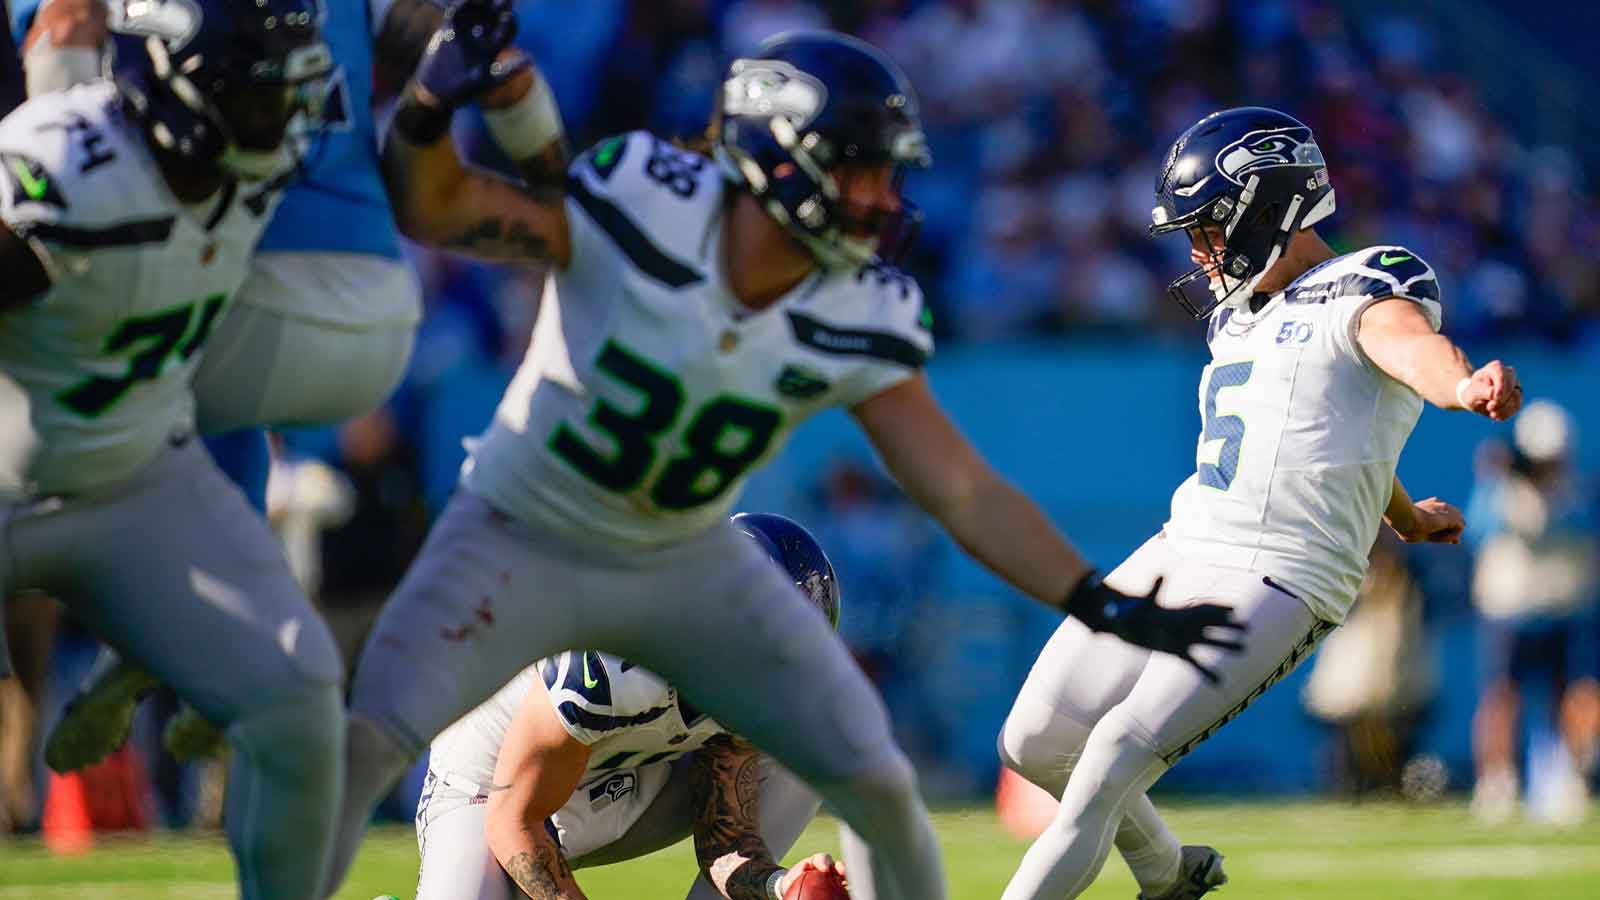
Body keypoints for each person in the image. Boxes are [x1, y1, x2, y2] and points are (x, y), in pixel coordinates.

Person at [322, 10, 1245, 900]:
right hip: (526, 553)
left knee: (873, 780)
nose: (885, 199)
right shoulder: (642, 200)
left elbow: (964, 490)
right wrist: (430, 109)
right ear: (779, 159)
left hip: (677, 560)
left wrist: (1095, 598)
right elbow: (437, 203)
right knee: (351, 749)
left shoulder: (854, 303)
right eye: (861, 172)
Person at [996, 106, 1523, 900]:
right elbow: (1331, 439)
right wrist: (1408, 517)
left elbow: (1409, 345)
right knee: (1032, 740)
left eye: (1209, 227)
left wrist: (1460, 383)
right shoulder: (1239, 313)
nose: (1200, 252)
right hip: (1185, 544)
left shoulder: (1370, 282)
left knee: (1108, 759)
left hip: (1280, 575)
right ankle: (1170, 872)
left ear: (1270, 207)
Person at [24, 0, 563, 771]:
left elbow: (65, 22)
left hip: (248, 289)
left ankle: (182, 625)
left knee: (92, 388)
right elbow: (484, 58)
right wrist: (552, 169)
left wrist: (52, 174)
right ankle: (212, 630)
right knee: (210, 409)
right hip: (379, 311)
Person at [0, 2, 349, 898]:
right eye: (260, 96)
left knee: (299, 690)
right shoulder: (65, 164)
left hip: (138, 472)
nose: (284, 121)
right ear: (179, 87)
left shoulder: (252, 162)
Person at [416, 513, 846, 900]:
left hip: (634, 777)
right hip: (494, 789)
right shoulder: (616, 657)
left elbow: (726, 840)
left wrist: (782, 885)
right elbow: (515, 822)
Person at [1467, 400, 1598, 824]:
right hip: (1510, 609)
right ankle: (1496, 781)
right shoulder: (1499, 492)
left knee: (1573, 693)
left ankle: (1570, 776)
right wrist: (1497, 478)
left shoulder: (1578, 491)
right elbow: (1480, 528)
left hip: (1566, 607)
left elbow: (1573, 524)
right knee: (1502, 695)